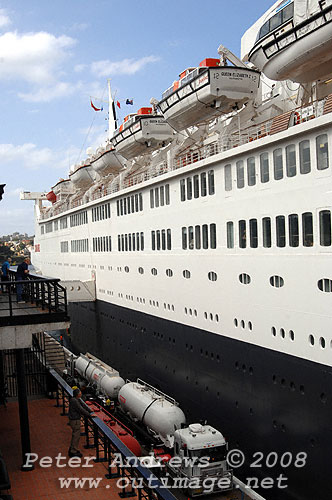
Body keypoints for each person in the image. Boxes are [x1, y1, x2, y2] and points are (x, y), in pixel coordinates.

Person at [68, 388, 95, 457]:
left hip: (74, 420)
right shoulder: (75, 401)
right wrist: (90, 415)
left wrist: (90, 410)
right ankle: (73, 451)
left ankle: (73, 448)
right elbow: (81, 409)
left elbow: (83, 405)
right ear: (78, 394)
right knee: (76, 436)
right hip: (75, 421)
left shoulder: (76, 399)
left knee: (75, 435)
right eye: (80, 393)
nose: (81, 393)